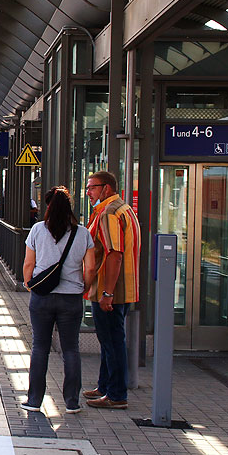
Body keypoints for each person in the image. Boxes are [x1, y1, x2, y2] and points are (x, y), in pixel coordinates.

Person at [21, 186, 96, 414]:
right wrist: (85, 287)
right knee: (71, 349)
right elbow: (90, 267)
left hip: (42, 297)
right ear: (69, 207)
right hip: (71, 298)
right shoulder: (82, 233)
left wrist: (28, 283)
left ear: (48, 206)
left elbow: (28, 264)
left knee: (40, 347)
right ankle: (72, 402)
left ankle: (34, 401)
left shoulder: (37, 230)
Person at [83, 171, 141, 410]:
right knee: (110, 339)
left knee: (112, 341)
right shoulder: (124, 208)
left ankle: (116, 394)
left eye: (92, 188)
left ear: (106, 188)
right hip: (124, 288)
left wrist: (107, 292)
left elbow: (114, 254)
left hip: (110, 291)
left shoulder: (109, 213)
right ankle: (105, 386)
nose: (88, 192)